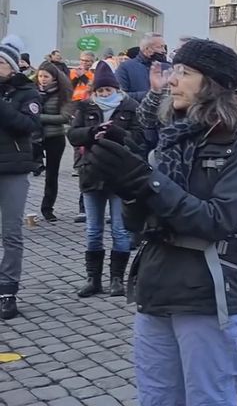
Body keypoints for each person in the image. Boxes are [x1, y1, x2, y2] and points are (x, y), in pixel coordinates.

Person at [84, 39, 237, 404]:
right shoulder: (174, 132)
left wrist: (147, 181)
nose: (171, 80)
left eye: (184, 73)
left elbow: (218, 219)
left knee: (208, 398)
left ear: (212, 82)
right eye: (173, 70)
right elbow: (140, 224)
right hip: (155, 282)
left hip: (207, 288)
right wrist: (127, 184)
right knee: (155, 398)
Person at [67, 61, 142, 298]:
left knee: (119, 230)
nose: (104, 95)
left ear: (116, 89)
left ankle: (117, 279)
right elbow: (73, 135)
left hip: (120, 174)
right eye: (100, 91)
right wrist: (92, 133)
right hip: (92, 172)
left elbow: (138, 141)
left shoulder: (130, 107)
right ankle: (94, 279)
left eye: (107, 91)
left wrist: (116, 133)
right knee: (93, 229)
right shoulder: (86, 107)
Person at [0, 35, 40, 320]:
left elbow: (27, 126)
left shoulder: (27, 93)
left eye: (1, 62)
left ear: (13, 67)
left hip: (12, 168)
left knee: (11, 232)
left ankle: (7, 290)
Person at [34, 61, 74, 223]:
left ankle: (47, 208)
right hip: (33, 138)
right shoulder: (32, 91)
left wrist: (39, 118)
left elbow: (64, 117)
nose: (43, 79)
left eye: (46, 76)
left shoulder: (62, 92)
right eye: (40, 76)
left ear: (54, 78)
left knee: (52, 175)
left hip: (54, 137)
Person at [116, 33, 168, 102]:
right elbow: (119, 95)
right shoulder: (125, 68)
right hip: (136, 111)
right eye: (160, 47)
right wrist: (151, 94)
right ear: (147, 49)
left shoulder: (167, 68)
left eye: (164, 47)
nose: (164, 51)